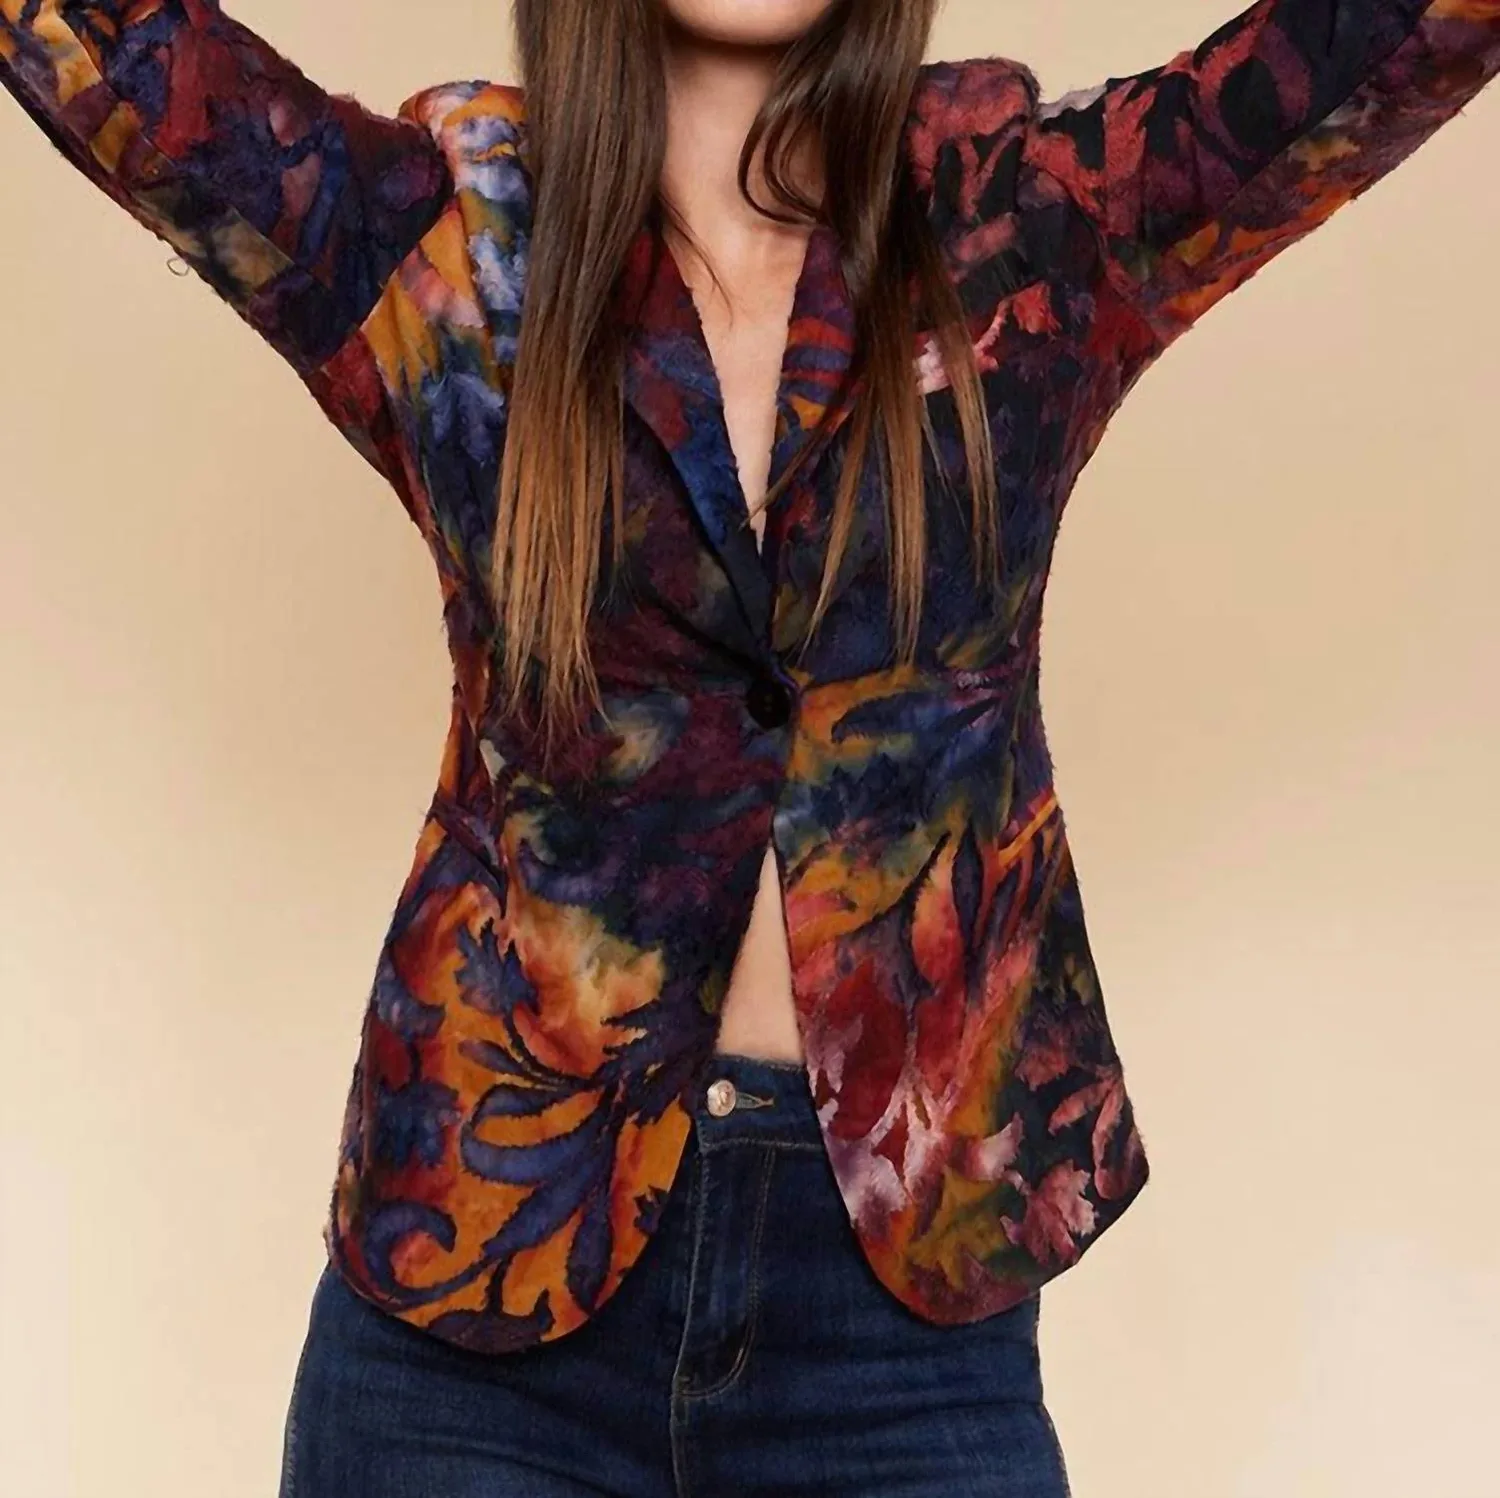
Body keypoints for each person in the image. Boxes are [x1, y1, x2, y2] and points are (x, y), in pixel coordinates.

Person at [3, 1, 1497, 1493]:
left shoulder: (1030, 223)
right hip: (479, 1308)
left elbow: (1386, 41)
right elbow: (104, 54)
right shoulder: (445, 242)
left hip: (900, 1323)